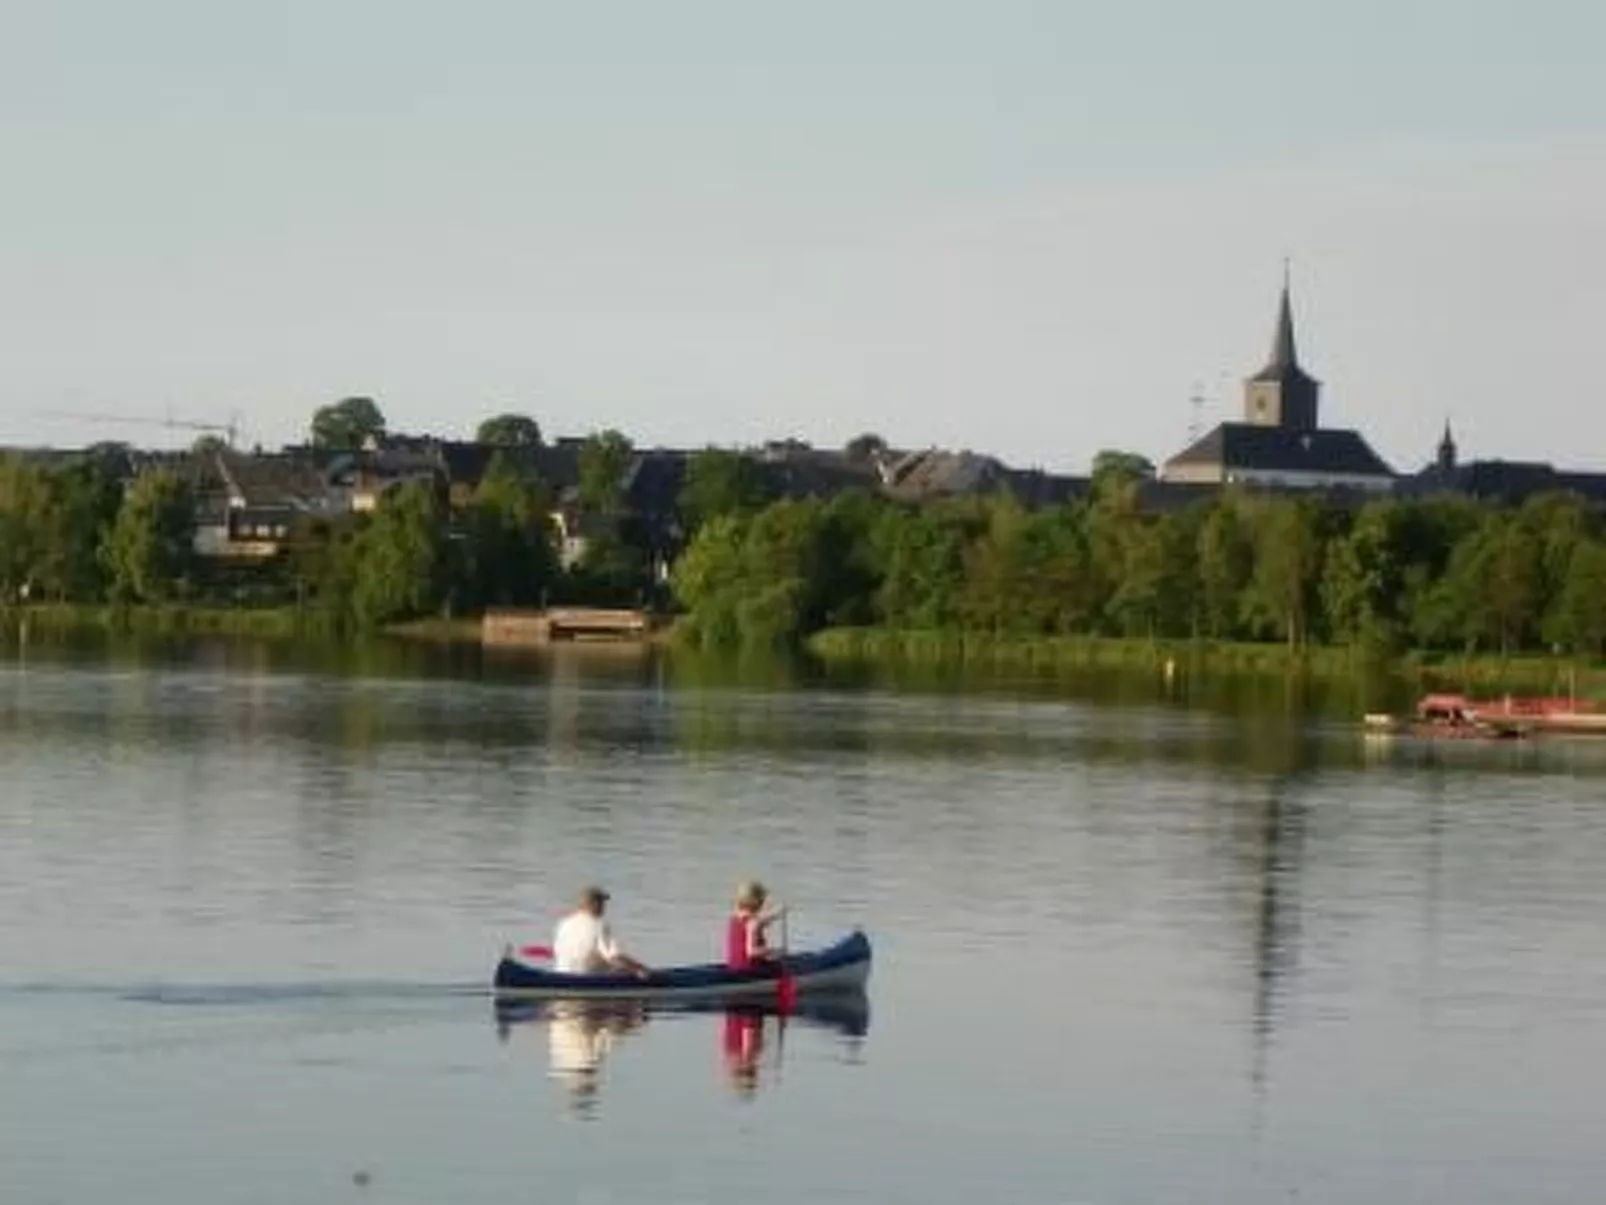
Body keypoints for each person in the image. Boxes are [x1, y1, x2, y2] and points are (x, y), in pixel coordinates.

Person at [552, 886, 650, 977]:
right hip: (590, 977)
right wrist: (640, 968)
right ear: (594, 904)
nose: (604, 907)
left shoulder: (564, 924)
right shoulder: (599, 925)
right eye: (602, 903)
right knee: (623, 968)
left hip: (562, 973)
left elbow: (557, 951)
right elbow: (614, 957)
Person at [725, 880, 786, 970]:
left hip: (734, 966)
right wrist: (772, 951)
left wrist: (776, 915)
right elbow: (751, 952)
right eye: (762, 901)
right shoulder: (753, 922)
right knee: (781, 964)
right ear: (758, 903)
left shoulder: (735, 918)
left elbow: (760, 922)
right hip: (750, 969)